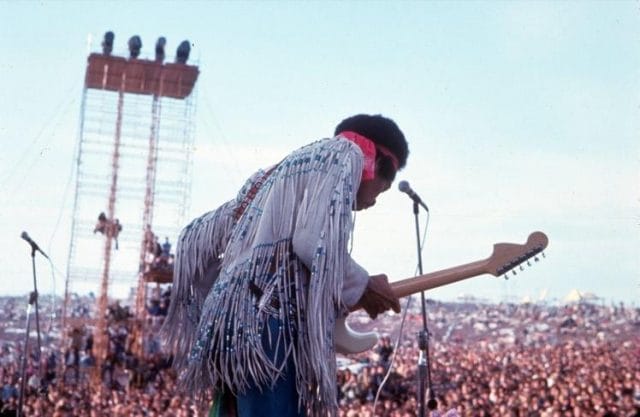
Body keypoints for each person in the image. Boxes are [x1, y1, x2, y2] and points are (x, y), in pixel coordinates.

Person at [163, 114, 409, 416]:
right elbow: (312, 242)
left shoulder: (269, 177)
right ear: (378, 161)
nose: (373, 203)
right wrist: (362, 284)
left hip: (233, 333)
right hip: (267, 332)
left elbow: (196, 240)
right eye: (382, 190)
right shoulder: (344, 155)